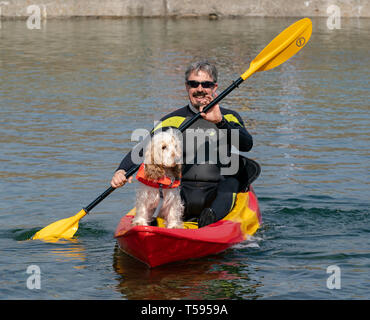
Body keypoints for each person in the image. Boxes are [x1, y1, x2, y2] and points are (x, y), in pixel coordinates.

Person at [111, 60, 253, 227]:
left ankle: (211, 218)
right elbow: (142, 150)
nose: (200, 89)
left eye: (206, 84)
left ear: (215, 87)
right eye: (194, 84)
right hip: (182, 192)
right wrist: (121, 171)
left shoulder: (229, 117)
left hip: (220, 194)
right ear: (187, 87)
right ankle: (162, 222)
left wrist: (220, 122)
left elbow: (246, 145)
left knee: (232, 180)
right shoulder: (172, 120)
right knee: (160, 186)